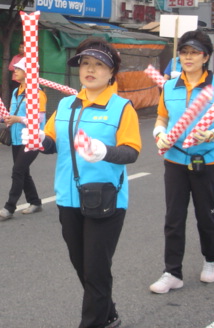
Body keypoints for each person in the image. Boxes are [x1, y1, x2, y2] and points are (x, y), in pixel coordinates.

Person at [27, 37, 141, 328]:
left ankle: (93, 323)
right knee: (83, 266)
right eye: (85, 63)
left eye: (99, 64)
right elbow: (51, 142)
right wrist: (39, 139)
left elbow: (131, 151)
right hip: (68, 198)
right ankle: (109, 313)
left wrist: (104, 152)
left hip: (106, 199)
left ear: (111, 71)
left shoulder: (121, 108)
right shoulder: (65, 105)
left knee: (96, 269)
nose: (90, 70)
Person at [150, 29, 214, 294]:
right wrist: (159, 134)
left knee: (205, 213)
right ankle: (172, 272)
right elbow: (161, 118)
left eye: (194, 53)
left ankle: (211, 260)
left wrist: (213, 134)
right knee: (173, 217)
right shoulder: (169, 87)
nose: (188, 57)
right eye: (184, 52)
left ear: (205, 57)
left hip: (207, 160)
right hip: (175, 158)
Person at [0, 58, 45, 220]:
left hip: (32, 139)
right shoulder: (17, 91)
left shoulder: (38, 94)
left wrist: (18, 119)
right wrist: (5, 118)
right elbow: (12, 113)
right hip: (16, 139)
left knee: (17, 171)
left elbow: (38, 120)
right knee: (23, 171)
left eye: (19, 69)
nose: (14, 71)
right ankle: (35, 202)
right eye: (15, 68)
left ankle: (9, 207)